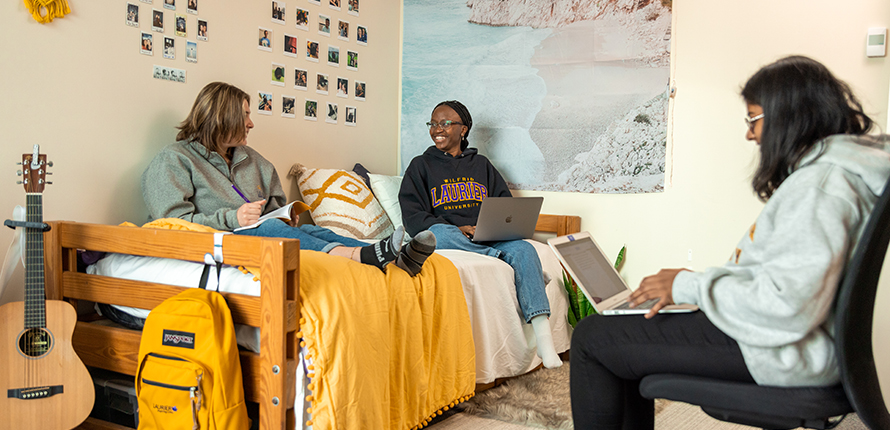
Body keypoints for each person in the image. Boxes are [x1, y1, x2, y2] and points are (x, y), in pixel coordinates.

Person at [569, 55, 890, 429]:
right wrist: (696, 287)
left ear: (789, 115)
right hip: (782, 341)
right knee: (621, 337)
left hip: (778, 349)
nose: (750, 134)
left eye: (754, 119)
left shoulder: (820, 187)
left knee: (592, 338)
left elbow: (788, 306)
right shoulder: (838, 174)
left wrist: (690, 285)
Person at [142, 82, 436, 276]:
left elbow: (273, 209)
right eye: (244, 114)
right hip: (221, 242)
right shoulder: (176, 159)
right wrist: (233, 218)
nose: (251, 123)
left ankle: (390, 256)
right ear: (222, 116)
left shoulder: (254, 161)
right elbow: (170, 224)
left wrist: (284, 216)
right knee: (269, 231)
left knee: (314, 233)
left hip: (260, 231)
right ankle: (367, 257)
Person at [399, 100, 563, 369]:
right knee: (436, 234)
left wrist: (491, 228)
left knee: (527, 249)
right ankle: (502, 257)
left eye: (445, 123)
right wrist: (457, 228)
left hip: (487, 235)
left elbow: (504, 205)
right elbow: (413, 216)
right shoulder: (420, 166)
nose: (436, 129)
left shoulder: (482, 165)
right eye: (433, 123)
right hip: (449, 235)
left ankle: (545, 342)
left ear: (463, 129)